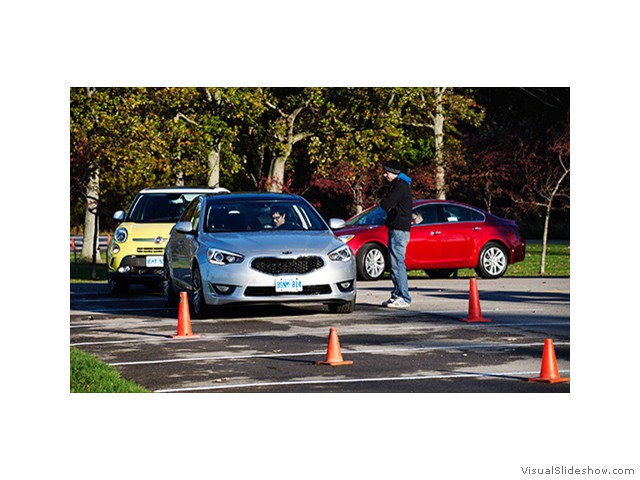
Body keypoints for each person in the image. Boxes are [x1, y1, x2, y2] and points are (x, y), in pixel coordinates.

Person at [380, 159, 413, 308]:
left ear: (394, 172)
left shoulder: (400, 186)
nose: (385, 174)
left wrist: (384, 202)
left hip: (399, 231)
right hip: (397, 229)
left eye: (387, 171)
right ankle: (396, 294)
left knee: (398, 264)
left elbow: (386, 204)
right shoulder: (399, 185)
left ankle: (404, 297)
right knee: (393, 264)